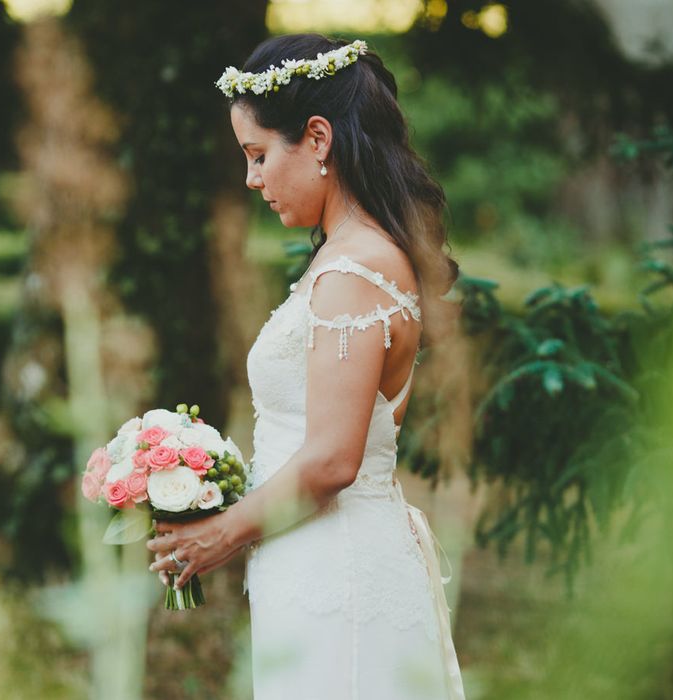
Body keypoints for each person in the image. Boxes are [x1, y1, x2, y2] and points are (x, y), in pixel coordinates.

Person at [147, 34, 466, 699]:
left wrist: (217, 537)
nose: (251, 179)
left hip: (339, 570)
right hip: (314, 560)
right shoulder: (349, 257)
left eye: (259, 155)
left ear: (317, 139)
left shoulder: (356, 269)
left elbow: (331, 461)